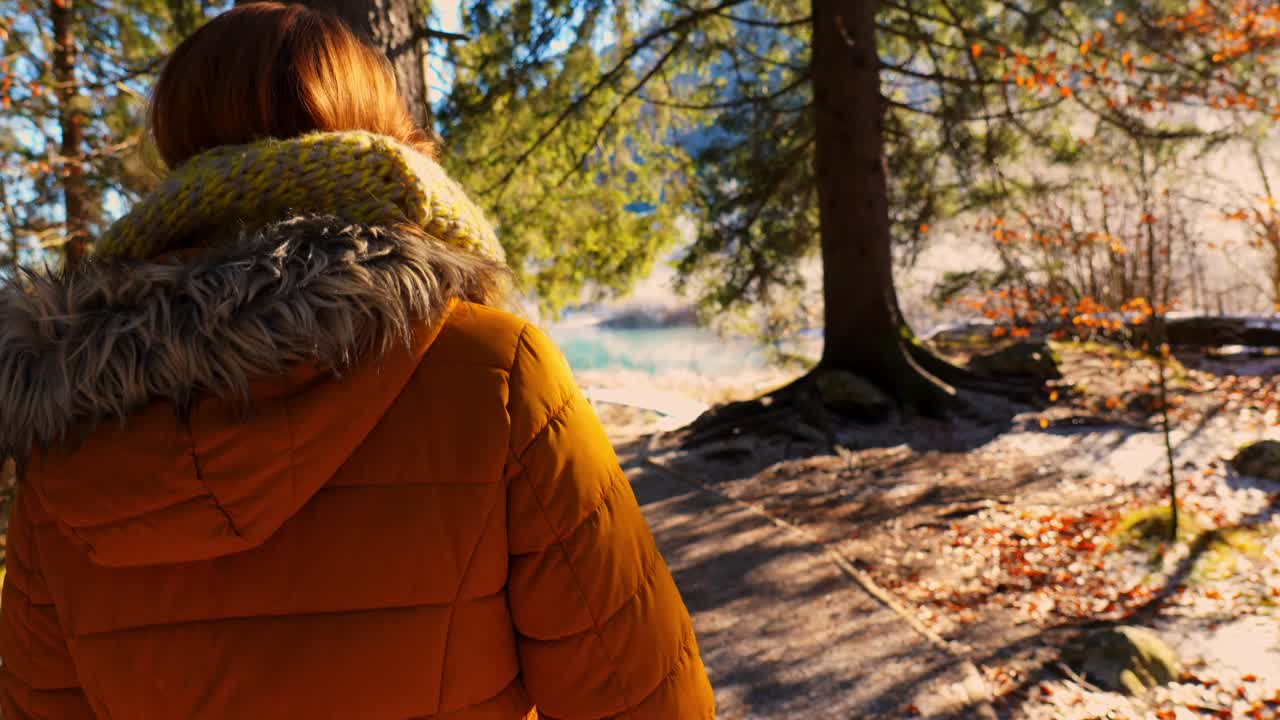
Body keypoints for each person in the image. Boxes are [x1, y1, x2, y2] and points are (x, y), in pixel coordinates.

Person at [0, 4, 715, 718]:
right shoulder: (492, 375)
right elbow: (644, 702)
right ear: (386, 135)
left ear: (178, 145)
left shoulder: (63, 431)